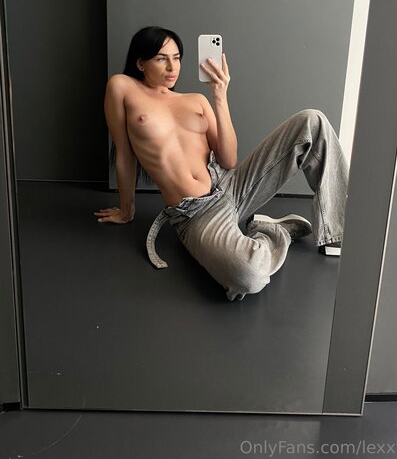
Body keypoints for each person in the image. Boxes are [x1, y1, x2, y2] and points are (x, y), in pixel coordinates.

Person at [95, 26, 349, 301]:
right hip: (196, 212)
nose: (172, 67)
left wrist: (220, 97)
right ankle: (272, 231)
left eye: (177, 58)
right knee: (249, 276)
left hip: (232, 184)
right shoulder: (122, 87)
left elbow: (229, 159)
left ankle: (338, 233)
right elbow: (124, 154)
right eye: (161, 58)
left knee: (312, 121)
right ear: (140, 63)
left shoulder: (196, 100)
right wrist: (126, 210)